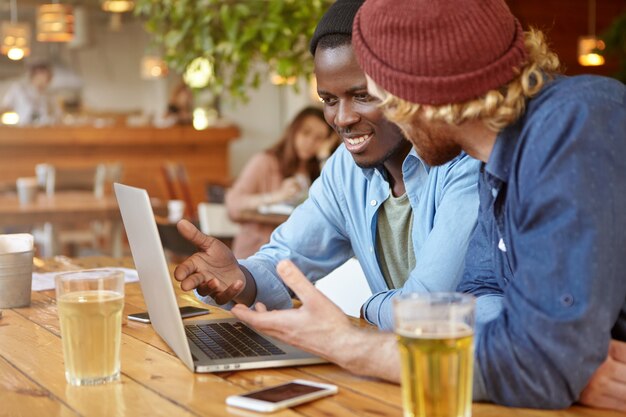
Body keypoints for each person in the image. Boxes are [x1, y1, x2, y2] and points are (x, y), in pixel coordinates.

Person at [230, 0, 626, 412]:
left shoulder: (576, 126)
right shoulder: (499, 163)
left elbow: (540, 363)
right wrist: (545, 356)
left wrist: (350, 344)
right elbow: (476, 306)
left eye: (380, 94)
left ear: (429, 90)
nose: (376, 116)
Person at [174, 0, 481, 330]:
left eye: (362, 95)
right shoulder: (344, 171)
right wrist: (239, 277)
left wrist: (368, 307)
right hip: (392, 364)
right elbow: (286, 258)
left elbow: (424, 310)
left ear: (405, 85)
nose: (343, 119)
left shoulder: (464, 161)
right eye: (329, 100)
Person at [225, 106, 331, 258]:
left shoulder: (318, 172)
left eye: (319, 138)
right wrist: (276, 196)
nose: (310, 142)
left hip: (300, 257)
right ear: (293, 131)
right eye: (305, 133)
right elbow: (233, 204)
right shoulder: (265, 162)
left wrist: (324, 157)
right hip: (259, 254)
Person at [2, 62, 60, 126]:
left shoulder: (49, 96)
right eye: (43, 75)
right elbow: (5, 107)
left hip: (44, 130)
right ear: (36, 74)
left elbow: (57, 116)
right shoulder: (19, 89)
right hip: (24, 130)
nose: (45, 79)